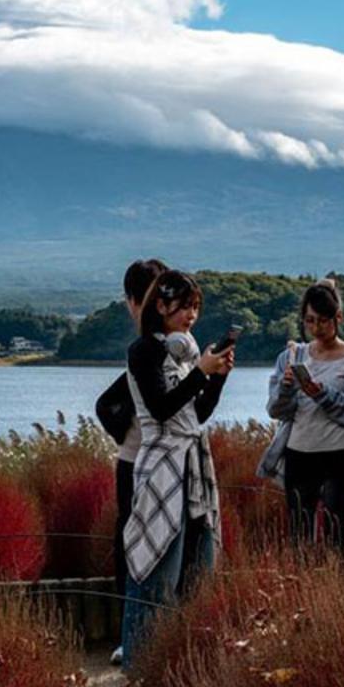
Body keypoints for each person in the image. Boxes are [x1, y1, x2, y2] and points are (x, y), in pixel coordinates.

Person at [120, 270, 233, 666]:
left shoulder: (185, 352)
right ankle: (138, 663)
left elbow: (195, 414)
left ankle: (177, 663)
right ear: (162, 306)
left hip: (192, 466)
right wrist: (201, 371)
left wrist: (215, 379)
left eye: (196, 308)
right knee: (154, 571)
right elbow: (161, 410)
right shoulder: (144, 351)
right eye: (185, 306)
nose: (191, 316)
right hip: (160, 466)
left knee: (194, 572)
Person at [265, 280, 344, 555]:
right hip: (299, 455)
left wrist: (322, 394)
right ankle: (305, 593)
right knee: (299, 540)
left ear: (338, 318)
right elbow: (276, 411)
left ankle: (338, 594)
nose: (316, 328)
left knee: (338, 539)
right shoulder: (291, 356)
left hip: (340, 456)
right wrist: (287, 388)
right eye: (309, 321)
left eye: (323, 320)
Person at [106, 257, 166, 665]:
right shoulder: (156, 348)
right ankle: (139, 638)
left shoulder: (149, 349)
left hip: (137, 460)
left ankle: (135, 638)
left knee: (133, 547)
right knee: (148, 548)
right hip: (150, 461)